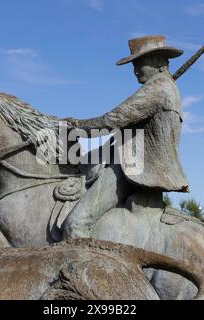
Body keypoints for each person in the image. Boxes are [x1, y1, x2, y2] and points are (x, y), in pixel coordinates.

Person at [62, 35, 189, 239]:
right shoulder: (164, 85)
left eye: (140, 62)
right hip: (130, 157)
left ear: (157, 61)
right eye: (134, 64)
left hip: (137, 165)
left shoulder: (157, 88)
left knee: (76, 224)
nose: (135, 69)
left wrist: (75, 126)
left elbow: (113, 119)